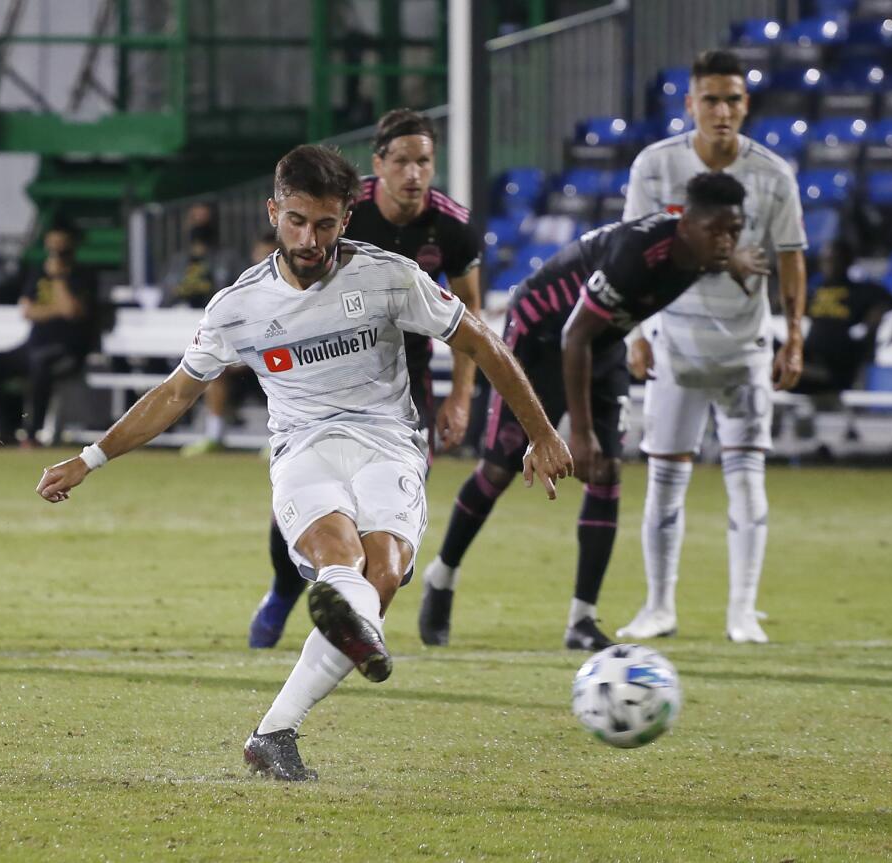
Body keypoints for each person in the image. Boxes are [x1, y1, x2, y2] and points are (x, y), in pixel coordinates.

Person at [34, 145, 571, 782]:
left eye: (323, 224)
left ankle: (274, 731)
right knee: (340, 561)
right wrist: (90, 458)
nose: (308, 239)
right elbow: (176, 392)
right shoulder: (239, 307)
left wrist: (540, 433)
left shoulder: (389, 276)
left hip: (388, 441)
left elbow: (480, 339)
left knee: (387, 574)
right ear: (274, 212)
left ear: (346, 218)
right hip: (303, 447)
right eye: (295, 221)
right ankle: (339, 643)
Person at [417, 172, 768, 650]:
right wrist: (577, 433)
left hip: (600, 344)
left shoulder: (701, 246)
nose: (727, 241)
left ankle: (581, 620)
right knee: (499, 469)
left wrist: (734, 261)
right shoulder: (636, 255)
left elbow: (595, 333)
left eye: (735, 231)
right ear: (687, 223)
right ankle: (442, 577)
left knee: (605, 472)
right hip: (542, 336)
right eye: (719, 231)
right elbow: (573, 334)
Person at [247, 108, 483, 648]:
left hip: (407, 380)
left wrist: (461, 397)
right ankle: (285, 590)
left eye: (424, 160)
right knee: (307, 493)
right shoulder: (340, 208)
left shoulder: (453, 226)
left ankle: (357, 622)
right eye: (401, 161)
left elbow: (471, 317)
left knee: (391, 503)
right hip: (327, 372)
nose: (413, 173)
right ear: (379, 163)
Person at [616, 50, 807, 645]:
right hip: (675, 343)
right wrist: (636, 331)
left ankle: (742, 612)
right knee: (665, 480)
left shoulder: (773, 174)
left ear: (746, 105)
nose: (722, 111)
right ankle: (659, 607)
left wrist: (793, 335)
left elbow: (793, 257)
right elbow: (629, 250)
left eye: (733, 100)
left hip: (747, 347)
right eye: (711, 99)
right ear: (690, 104)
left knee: (747, 479)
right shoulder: (655, 165)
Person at [0, 222, 96, 446]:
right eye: (51, 246)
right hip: (32, 347)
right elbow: (28, 310)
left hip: (67, 351)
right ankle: (5, 430)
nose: (55, 252)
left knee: (40, 364)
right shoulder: (36, 272)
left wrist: (59, 279)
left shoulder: (82, 275)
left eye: (60, 246)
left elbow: (73, 311)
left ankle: (32, 435)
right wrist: (56, 308)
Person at [159, 202, 248, 456]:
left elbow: (237, 299)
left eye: (204, 219)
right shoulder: (177, 262)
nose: (200, 224)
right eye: (195, 218)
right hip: (175, 335)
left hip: (215, 335)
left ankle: (214, 433)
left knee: (214, 366)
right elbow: (164, 300)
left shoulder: (228, 259)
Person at [793, 240, 892, 396]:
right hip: (808, 359)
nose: (829, 264)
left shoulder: (863, 291)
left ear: (848, 261)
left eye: (835, 259)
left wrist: (876, 324)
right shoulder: (815, 290)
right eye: (826, 259)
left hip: (836, 367)